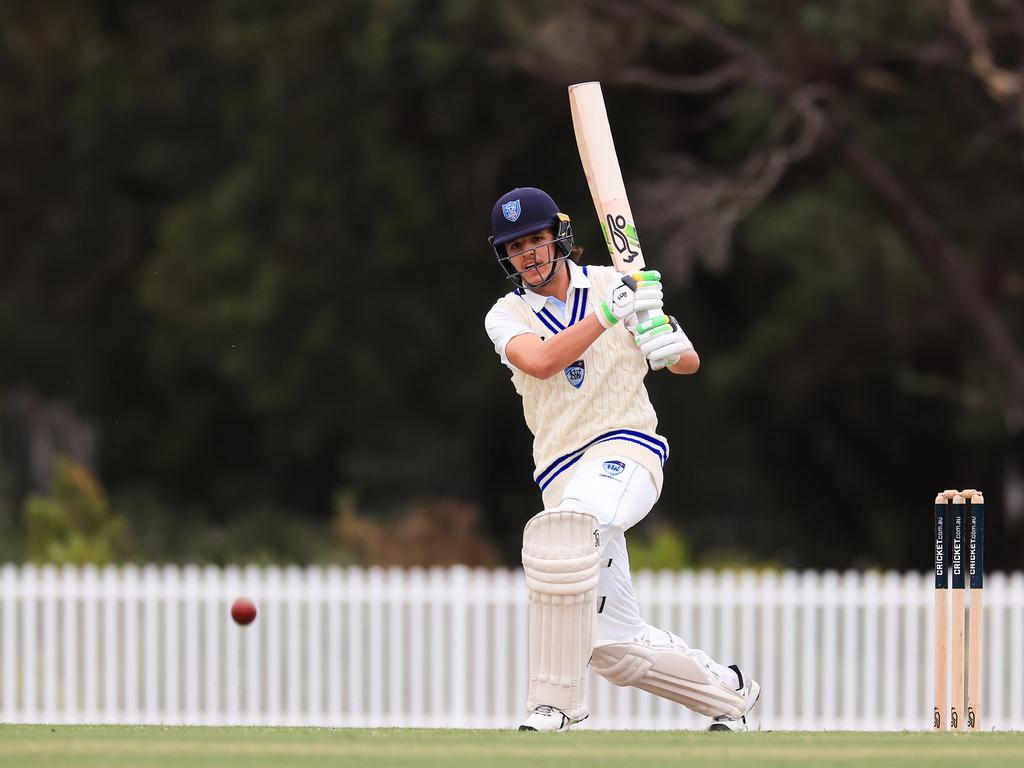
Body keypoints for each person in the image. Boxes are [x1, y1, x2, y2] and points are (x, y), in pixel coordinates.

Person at [484, 187, 761, 732]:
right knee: (614, 647)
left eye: (537, 240)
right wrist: (611, 315)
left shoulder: (616, 283)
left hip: (627, 450)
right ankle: (731, 695)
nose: (529, 255)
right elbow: (540, 362)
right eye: (516, 248)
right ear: (506, 257)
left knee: (566, 533)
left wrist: (663, 341)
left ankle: (553, 704)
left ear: (558, 238)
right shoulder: (506, 314)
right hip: (561, 473)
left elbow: (689, 362)